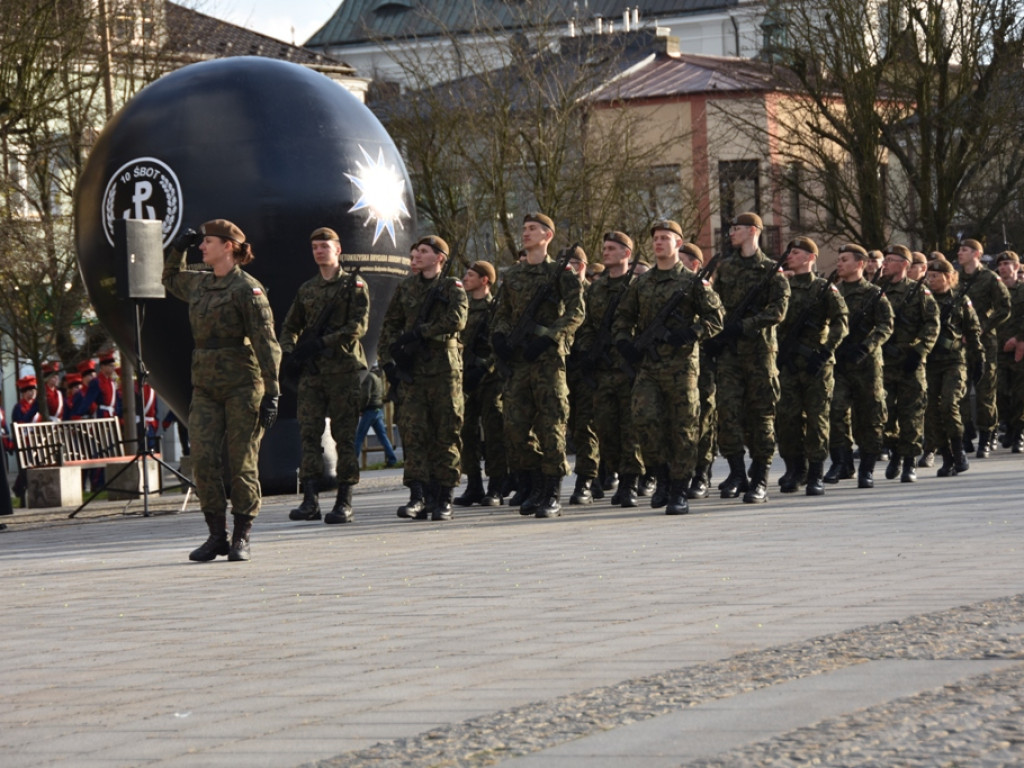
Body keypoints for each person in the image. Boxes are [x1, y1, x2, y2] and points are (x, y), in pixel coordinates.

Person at [163, 219, 281, 562]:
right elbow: (169, 278)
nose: (201, 247)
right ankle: (216, 535)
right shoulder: (200, 285)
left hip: (242, 385)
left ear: (228, 246)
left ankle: (242, 535)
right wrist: (177, 250)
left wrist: (272, 391)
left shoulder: (248, 289)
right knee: (202, 460)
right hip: (205, 386)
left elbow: (266, 343)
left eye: (207, 242)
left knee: (241, 461)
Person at [613, 220, 724, 515]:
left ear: (678, 243)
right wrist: (625, 342)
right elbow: (622, 318)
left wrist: (693, 332)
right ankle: (660, 477)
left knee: (684, 427)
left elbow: (716, 317)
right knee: (644, 419)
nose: (659, 243)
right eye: (656, 238)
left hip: (682, 367)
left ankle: (678, 490)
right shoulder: (642, 283)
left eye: (665, 238)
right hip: (649, 366)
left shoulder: (692, 281)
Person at [492, 212, 585, 518]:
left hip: (547, 361)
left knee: (551, 427)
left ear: (547, 236)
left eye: (533, 229)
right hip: (519, 362)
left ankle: (552, 492)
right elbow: (502, 312)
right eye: (524, 229)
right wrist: (501, 338)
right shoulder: (514, 275)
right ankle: (533, 485)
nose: (526, 233)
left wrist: (550, 337)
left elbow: (576, 312)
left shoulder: (561, 275)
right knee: (515, 428)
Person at [280, 227, 370, 525]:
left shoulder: (354, 285)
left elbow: (358, 327)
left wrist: (322, 342)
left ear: (338, 249)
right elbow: (290, 325)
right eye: (315, 246)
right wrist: (291, 353)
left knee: (343, 436)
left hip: (343, 370)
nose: (320, 251)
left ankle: (344, 500)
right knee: (308, 435)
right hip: (313, 374)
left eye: (325, 246)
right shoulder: (307, 289)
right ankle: (310, 500)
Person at [379, 235, 467, 521]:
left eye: (423, 251)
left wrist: (421, 333)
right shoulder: (406, 287)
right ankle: (418, 496)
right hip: (413, 372)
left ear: (439, 257)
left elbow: (457, 319)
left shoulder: (452, 286)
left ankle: (444, 497)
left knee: (446, 433)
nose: (416, 255)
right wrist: (390, 362)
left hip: (443, 370)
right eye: (414, 251)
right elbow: (389, 326)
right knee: (414, 433)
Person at [707, 212, 790, 504]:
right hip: (730, 354)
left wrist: (745, 325)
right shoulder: (725, 268)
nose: (731, 232)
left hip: (759, 354)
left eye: (737, 228)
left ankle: (760, 479)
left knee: (761, 417)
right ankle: (737, 473)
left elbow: (778, 310)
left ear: (753, 231)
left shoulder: (771, 270)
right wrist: (717, 332)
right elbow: (713, 305)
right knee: (727, 413)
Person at [574, 231, 645, 507]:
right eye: (604, 247)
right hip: (603, 369)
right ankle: (613, 471)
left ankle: (629, 483)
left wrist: (633, 347)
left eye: (612, 248)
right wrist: (590, 350)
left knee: (631, 428)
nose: (605, 252)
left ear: (627, 254)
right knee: (605, 429)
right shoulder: (596, 289)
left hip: (629, 369)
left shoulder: (639, 287)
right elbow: (586, 325)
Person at [775, 237, 848, 496]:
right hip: (788, 364)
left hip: (816, 364)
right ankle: (795, 469)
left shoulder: (824, 289)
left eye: (795, 253)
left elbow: (841, 322)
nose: (789, 256)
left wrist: (827, 349)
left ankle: (816, 472)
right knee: (787, 419)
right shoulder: (782, 286)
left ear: (810, 258)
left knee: (817, 419)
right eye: (789, 252)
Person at [826, 244, 894, 488]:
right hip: (840, 363)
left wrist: (867, 346)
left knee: (870, 416)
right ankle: (842, 462)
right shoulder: (832, 292)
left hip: (867, 364)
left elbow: (886, 325)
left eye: (845, 259)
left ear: (860, 264)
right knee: (835, 411)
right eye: (839, 259)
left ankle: (867, 468)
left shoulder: (874, 293)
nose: (839, 263)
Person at [878, 244, 939, 482]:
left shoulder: (919, 293)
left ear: (904, 264)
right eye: (885, 259)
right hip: (884, 362)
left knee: (911, 414)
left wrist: (920, 351)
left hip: (910, 363)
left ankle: (910, 461)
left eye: (890, 260)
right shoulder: (877, 290)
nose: (885, 264)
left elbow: (932, 324)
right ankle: (895, 451)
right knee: (885, 413)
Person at [454, 260, 507, 507]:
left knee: (494, 430)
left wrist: (484, 367)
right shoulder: (461, 306)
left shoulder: (495, 308)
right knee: (467, 431)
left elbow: (500, 344)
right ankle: (473, 483)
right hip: (464, 377)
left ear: (485, 280)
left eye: (471, 275)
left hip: (490, 380)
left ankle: (496, 485)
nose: (466, 278)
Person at [925, 258, 983, 476]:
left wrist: (979, 358)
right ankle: (946, 456)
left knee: (949, 404)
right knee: (931, 411)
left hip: (954, 361)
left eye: (936, 276)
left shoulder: (961, 300)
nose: (931, 280)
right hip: (929, 363)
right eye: (929, 276)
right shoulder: (924, 300)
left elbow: (973, 330)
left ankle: (959, 451)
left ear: (949, 277)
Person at [956, 238, 1011, 457]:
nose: (960, 253)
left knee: (985, 391)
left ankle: (986, 436)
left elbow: (1004, 308)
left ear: (977, 254)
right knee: (958, 391)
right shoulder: (955, 279)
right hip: (959, 342)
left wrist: (982, 328)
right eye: (959, 249)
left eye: (965, 250)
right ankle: (966, 433)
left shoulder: (990, 279)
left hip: (983, 342)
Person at [680, 242, 718, 499]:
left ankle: (702, 473)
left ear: (695, 264)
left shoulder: (705, 290)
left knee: (704, 418)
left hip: (705, 362)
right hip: (679, 364)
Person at [564, 245, 602, 505]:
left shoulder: (594, 294)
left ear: (580, 267)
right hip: (561, 367)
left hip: (587, 368)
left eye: (567, 265)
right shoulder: (557, 294)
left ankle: (586, 480)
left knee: (585, 426)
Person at [994, 251, 1024, 451]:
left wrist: (1019, 338)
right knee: (1000, 392)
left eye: (1007, 263)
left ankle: (1019, 432)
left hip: (1019, 347)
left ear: (1016, 266)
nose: (1003, 267)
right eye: (1001, 264)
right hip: (997, 347)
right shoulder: (994, 290)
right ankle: (1009, 427)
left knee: (1020, 392)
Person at [354, 364, 398, 467]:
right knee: (383, 437)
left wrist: (361, 408)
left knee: (359, 436)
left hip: (369, 410)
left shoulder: (368, 377)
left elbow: (366, 395)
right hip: (378, 409)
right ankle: (392, 459)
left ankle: (352, 461)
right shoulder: (378, 377)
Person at [74, 353, 120, 419]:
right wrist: (78, 415)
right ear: (103, 366)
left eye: (113, 365)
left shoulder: (111, 382)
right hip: (102, 414)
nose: (113, 368)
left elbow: (115, 401)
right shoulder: (97, 381)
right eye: (110, 365)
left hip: (112, 414)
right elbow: (88, 400)